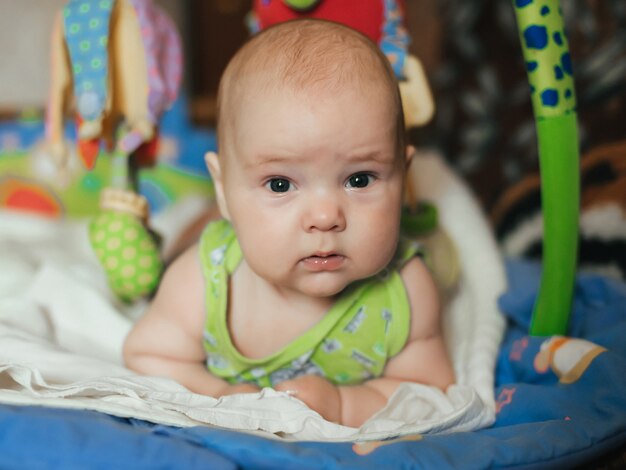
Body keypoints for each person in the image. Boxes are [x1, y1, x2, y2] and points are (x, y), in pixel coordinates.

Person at [123, 18, 455, 428]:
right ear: (224, 187)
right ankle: (201, 216)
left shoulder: (406, 291)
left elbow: (428, 387)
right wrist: (221, 396)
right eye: (280, 184)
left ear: (403, 181)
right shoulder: (204, 279)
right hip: (213, 235)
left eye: (359, 179)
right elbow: (148, 353)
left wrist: (344, 404)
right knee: (179, 248)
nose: (324, 218)